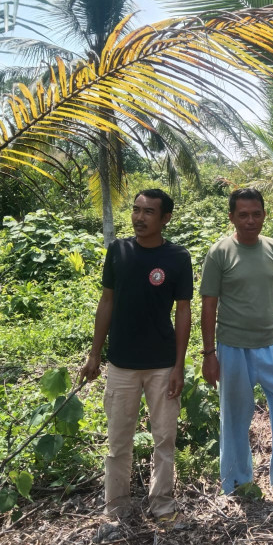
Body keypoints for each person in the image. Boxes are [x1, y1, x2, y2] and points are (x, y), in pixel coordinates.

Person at [78, 189, 192, 520]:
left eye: (148, 212)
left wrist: (179, 366)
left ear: (165, 218)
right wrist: (95, 354)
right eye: (136, 210)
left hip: (162, 365)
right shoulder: (119, 250)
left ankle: (162, 505)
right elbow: (107, 301)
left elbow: (183, 311)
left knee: (164, 440)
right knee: (118, 443)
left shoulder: (178, 257)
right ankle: (115, 510)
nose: (139, 218)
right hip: (121, 364)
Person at [200, 188, 273, 496]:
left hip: (272, 345)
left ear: (264, 215)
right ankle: (237, 481)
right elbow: (209, 305)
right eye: (243, 215)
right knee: (235, 415)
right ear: (232, 217)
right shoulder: (219, 252)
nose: (250, 221)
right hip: (232, 347)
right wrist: (209, 354)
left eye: (256, 214)